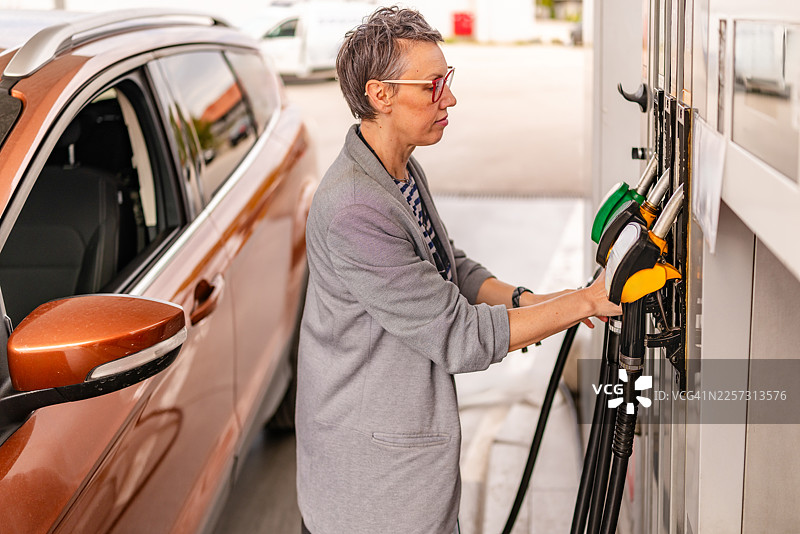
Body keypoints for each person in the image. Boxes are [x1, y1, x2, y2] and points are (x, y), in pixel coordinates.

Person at [295, 7, 622, 534]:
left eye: (448, 79)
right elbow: (458, 335)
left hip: (398, 471)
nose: (449, 97)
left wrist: (532, 301)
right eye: (433, 85)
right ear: (381, 95)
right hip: (372, 493)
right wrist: (585, 302)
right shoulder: (355, 208)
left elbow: (450, 266)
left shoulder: (394, 166)